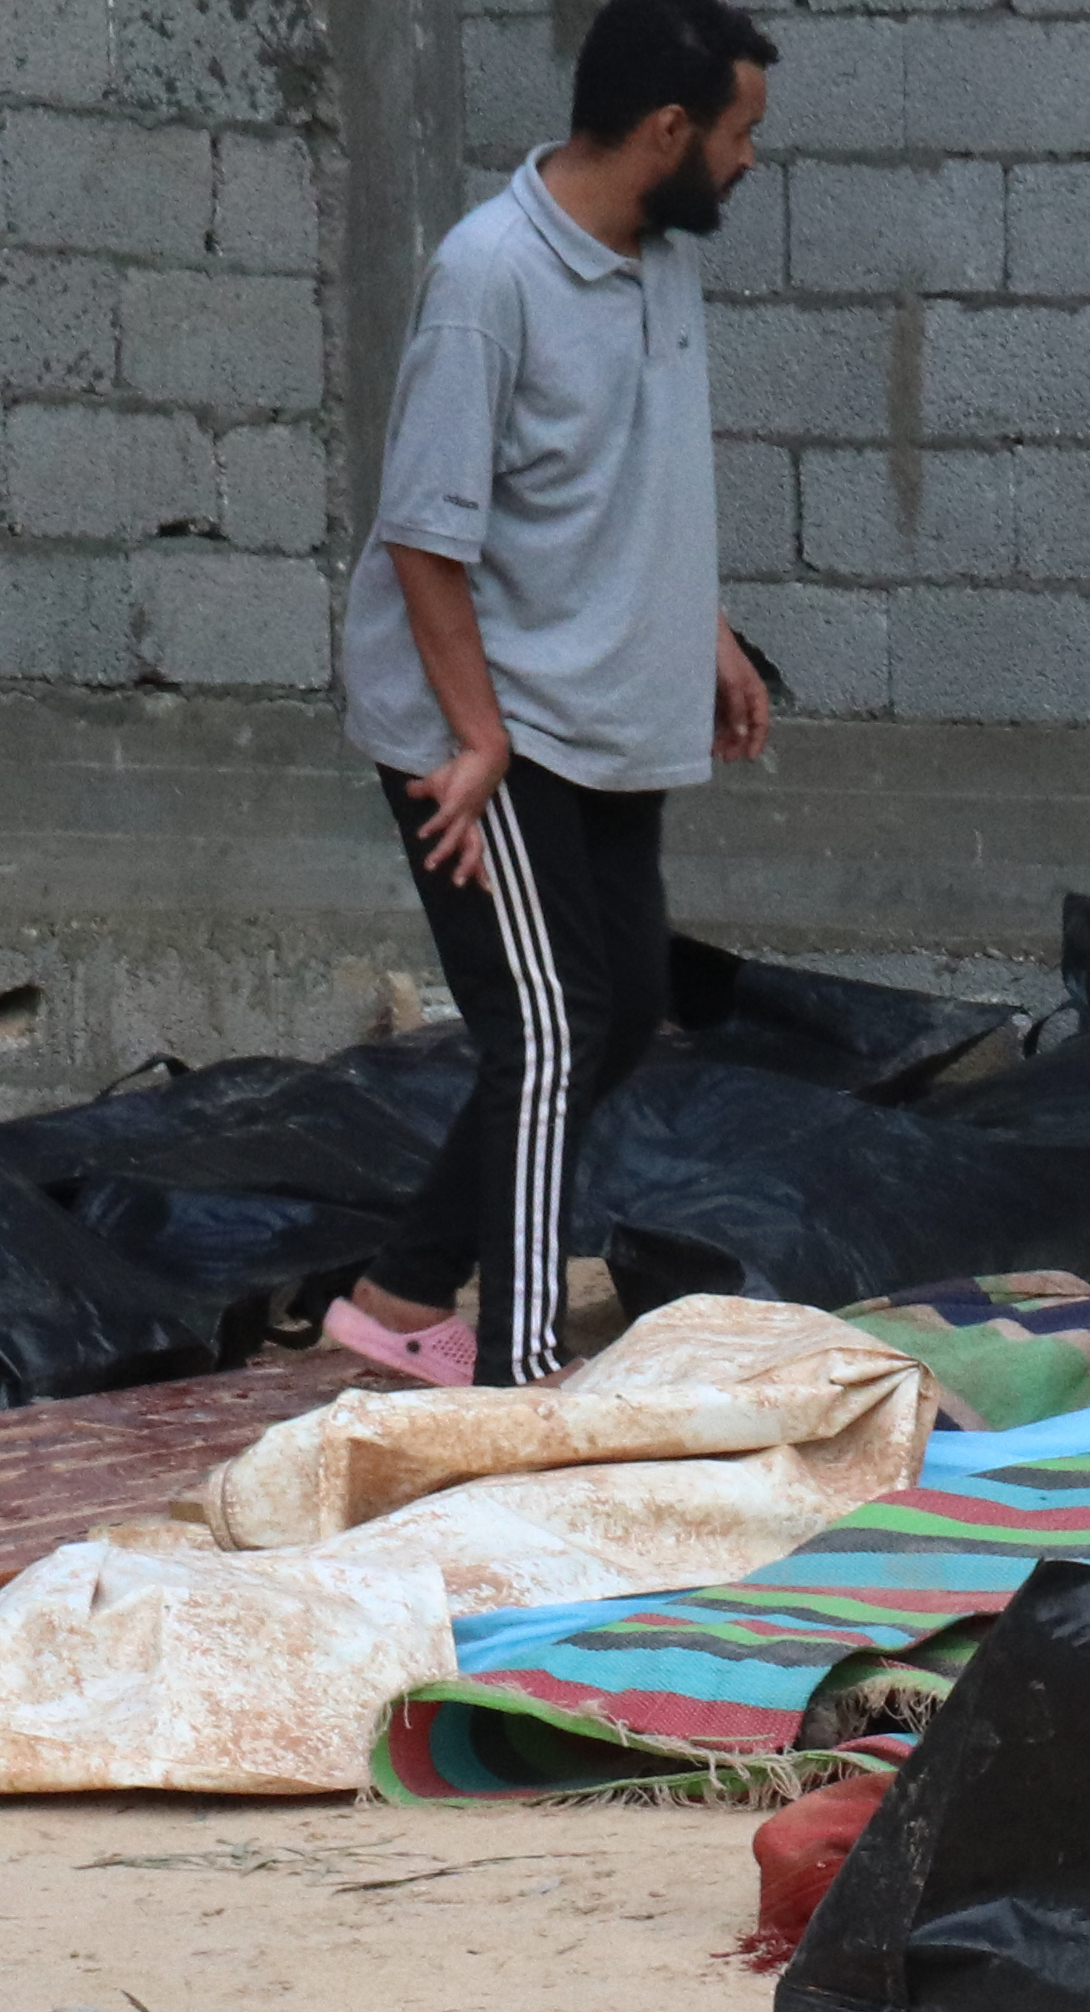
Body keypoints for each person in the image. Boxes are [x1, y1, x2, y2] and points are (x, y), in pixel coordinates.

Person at [325, 0, 782, 1392]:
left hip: (600, 713)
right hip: (493, 728)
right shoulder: (491, 281)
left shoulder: (657, 257)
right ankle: (517, 1385)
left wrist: (700, 626)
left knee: (627, 1000)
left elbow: (617, 473)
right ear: (664, 133)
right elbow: (424, 534)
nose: (750, 163)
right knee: (552, 1030)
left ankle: (398, 1297)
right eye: (740, 134)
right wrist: (474, 740)